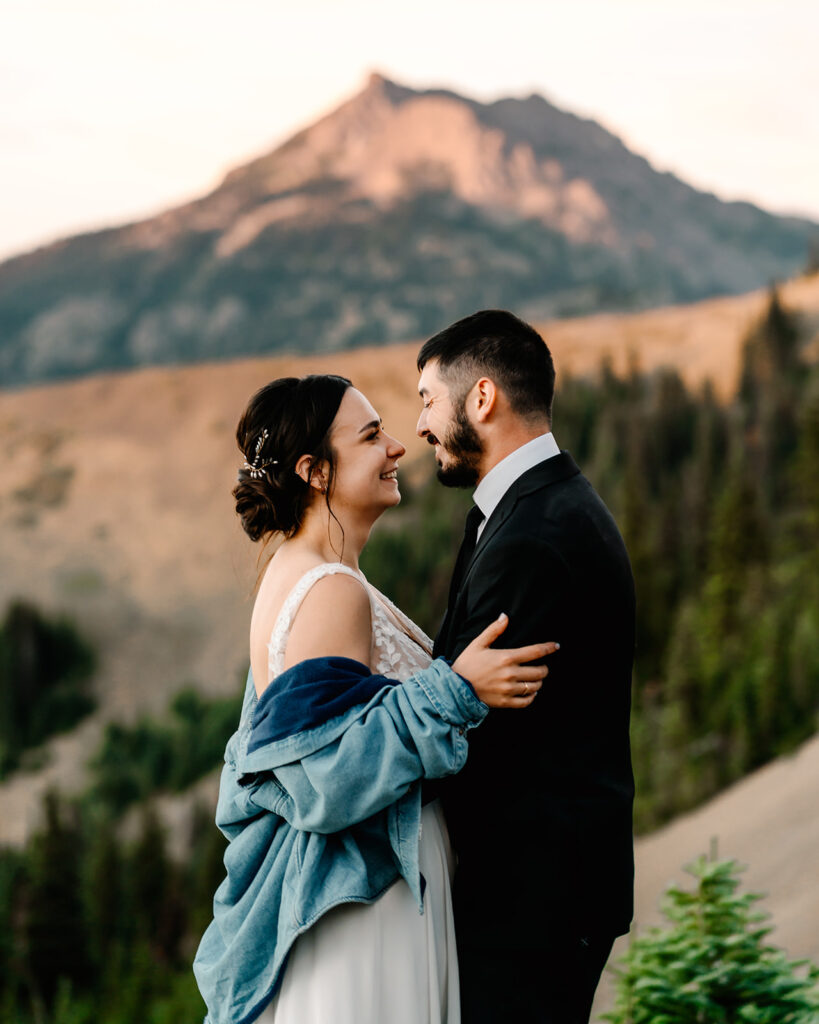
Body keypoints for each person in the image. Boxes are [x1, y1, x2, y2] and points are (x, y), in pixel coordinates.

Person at [193, 374, 557, 1024]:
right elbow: (326, 778)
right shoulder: (330, 590)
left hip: (367, 898)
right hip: (366, 912)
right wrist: (456, 689)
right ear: (315, 472)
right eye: (369, 436)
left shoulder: (303, 574)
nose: (396, 446)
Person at [416, 310, 635, 1024]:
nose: (419, 426)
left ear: (480, 398)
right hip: (538, 889)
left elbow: (476, 724)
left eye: (426, 400)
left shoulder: (534, 535)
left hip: (529, 899)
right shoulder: (529, 509)